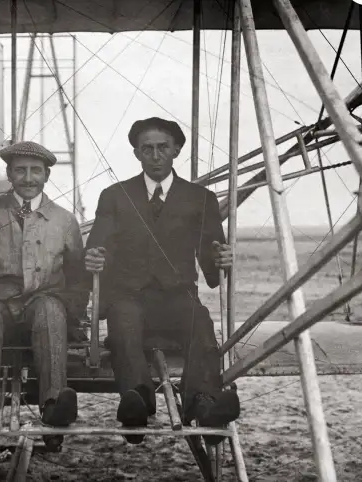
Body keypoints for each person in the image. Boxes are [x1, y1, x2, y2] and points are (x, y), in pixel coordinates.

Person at [84, 116, 240, 444]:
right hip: (129, 296)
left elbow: (212, 266)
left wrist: (221, 260)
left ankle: (204, 403)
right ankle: (137, 401)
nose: (155, 156)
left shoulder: (200, 199)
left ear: (176, 150)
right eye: (147, 149)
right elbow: (98, 246)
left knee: (200, 321)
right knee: (122, 323)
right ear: (137, 153)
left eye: (162, 148)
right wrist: (95, 257)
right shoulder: (114, 196)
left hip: (177, 296)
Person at [0, 140, 88, 445]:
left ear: (47, 175)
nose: (28, 178)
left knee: (51, 311)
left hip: (45, 303)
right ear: (9, 174)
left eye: (35, 171)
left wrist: (75, 319)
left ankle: (53, 405)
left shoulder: (65, 221)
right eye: (20, 170)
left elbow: (78, 277)